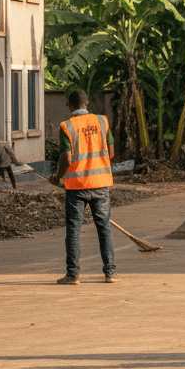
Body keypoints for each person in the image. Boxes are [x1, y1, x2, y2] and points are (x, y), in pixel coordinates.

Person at [49, 90, 118, 285]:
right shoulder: (102, 122)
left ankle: (73, 275)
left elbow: (66, 157)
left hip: (76, 186)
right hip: (101, 185)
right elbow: (111, 152)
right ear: (87, 103)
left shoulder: (67, 126)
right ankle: (110, 273)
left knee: (73, 230)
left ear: (69, 105)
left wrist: (57, 177)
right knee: (104, 228)